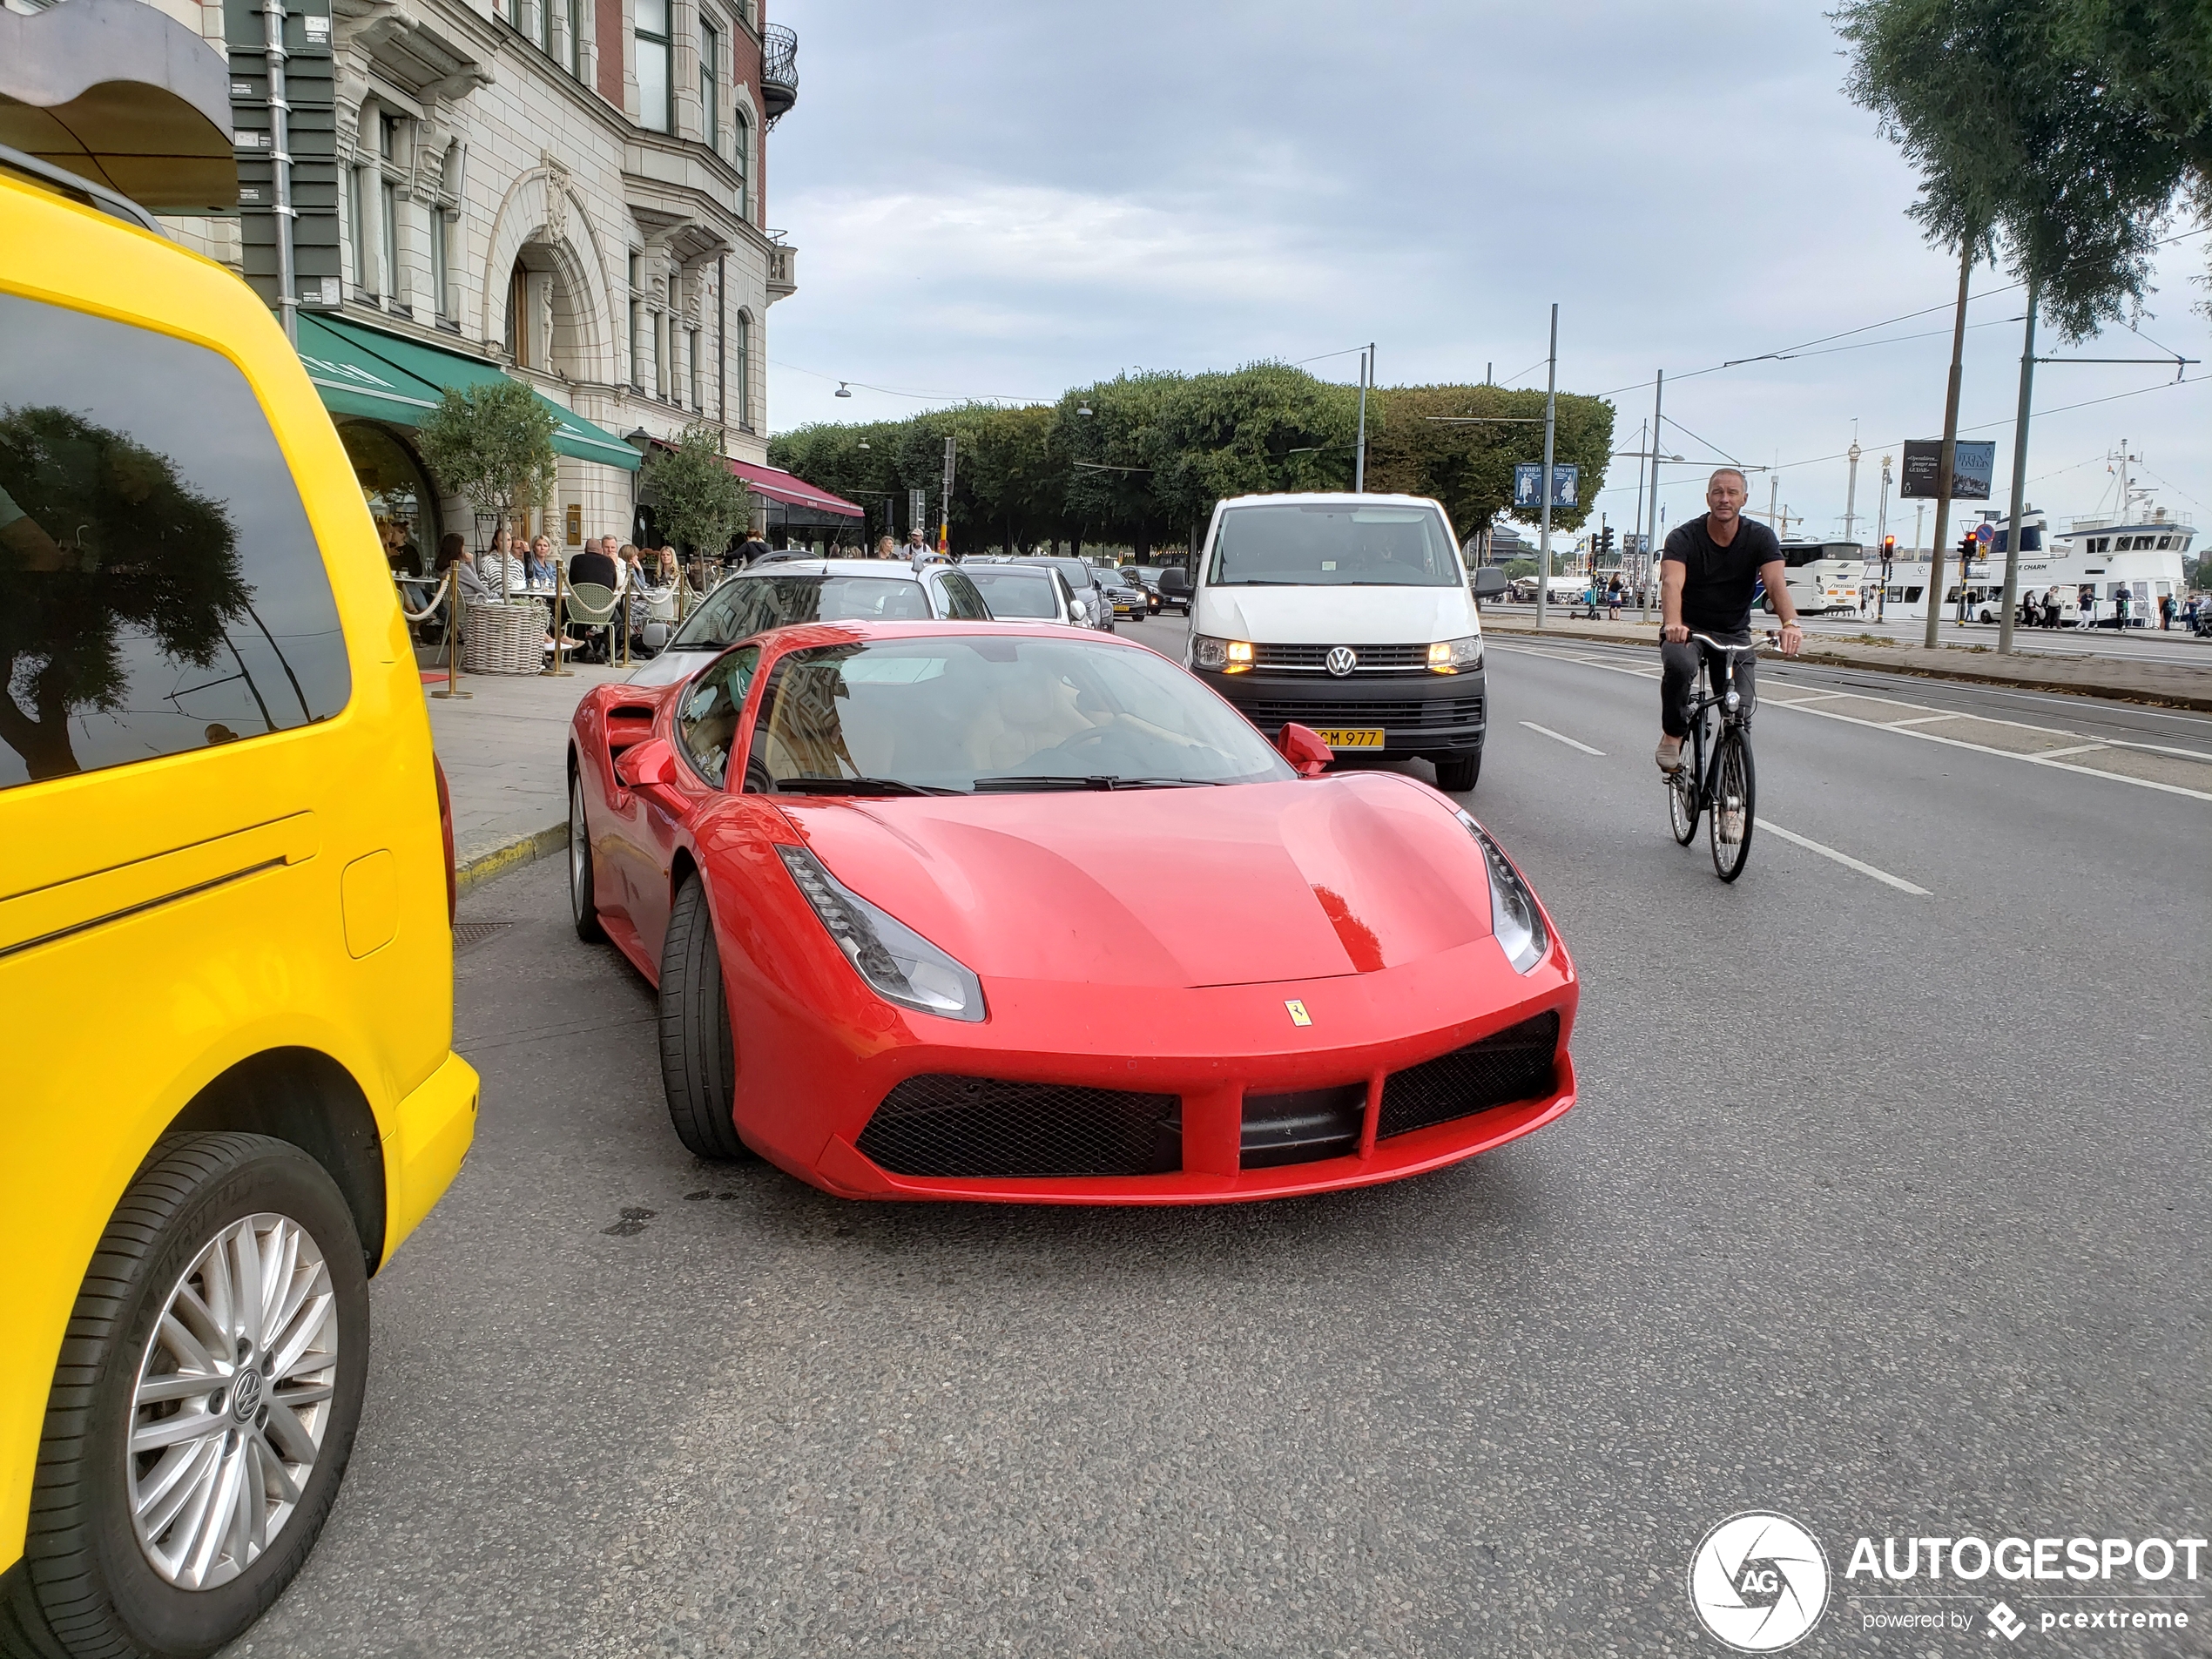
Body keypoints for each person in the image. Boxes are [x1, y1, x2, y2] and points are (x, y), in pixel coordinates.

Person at [1656, 468, 1801, 780]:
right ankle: (1673, 733)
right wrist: (1674, 624)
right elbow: (1671, 582)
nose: (1724, 499)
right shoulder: (1683, 537)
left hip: (1734, 633)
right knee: (1679, 666)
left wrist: (1790, 623)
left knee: (1739, 718)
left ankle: (1732, 802)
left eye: (1732, 493)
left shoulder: (1760, 537)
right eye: (1718, 492)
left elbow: (1776, 582)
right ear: (1708, 498)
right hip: (1688, 630)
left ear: (1743, 499)